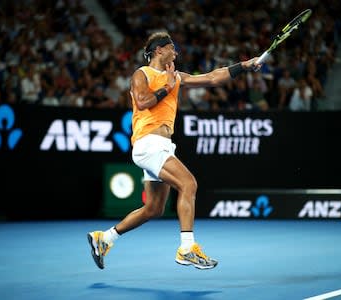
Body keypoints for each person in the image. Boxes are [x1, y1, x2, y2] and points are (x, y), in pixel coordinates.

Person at [87, 31, 261, 270]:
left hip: (162, 145)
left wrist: (244, 66)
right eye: (172, 48)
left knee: (154, 209)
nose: (176, 52)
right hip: (148, 143)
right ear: (159, 50)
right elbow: (143, 102)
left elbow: (212, 78)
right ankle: (187, 249)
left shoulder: (176, 76)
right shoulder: (142, 73)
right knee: (189, 184)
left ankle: (104, 238)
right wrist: (167, 87)